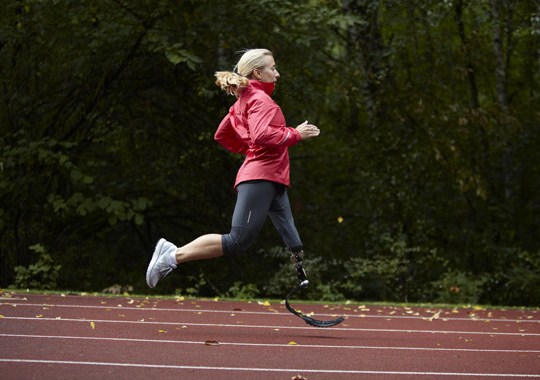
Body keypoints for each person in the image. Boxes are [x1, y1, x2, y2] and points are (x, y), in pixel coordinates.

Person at [146, 48, 320, 289]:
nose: (277, 74)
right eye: (273, 68)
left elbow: (223, 135)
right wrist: (294, 134)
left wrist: (296, 249)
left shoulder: (244, 100)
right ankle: (171, 256)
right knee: (237, 240)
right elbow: (260, 135)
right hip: (260, 178)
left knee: (285, 226)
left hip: (271, 178)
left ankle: (171, 255)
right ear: (258, 72)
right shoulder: (261, 100)